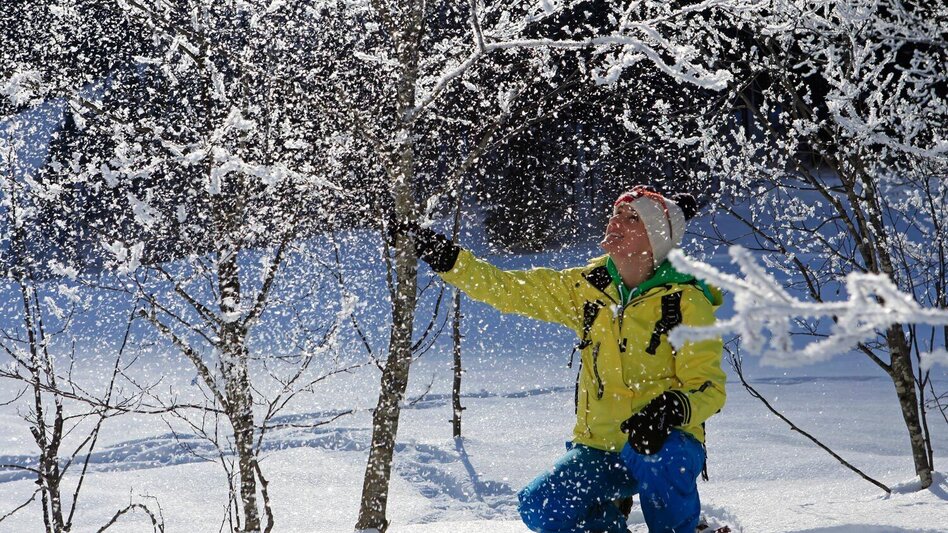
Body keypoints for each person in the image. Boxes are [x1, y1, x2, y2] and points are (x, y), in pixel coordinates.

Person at [398, 185, 726, 533]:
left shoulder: (687, 302)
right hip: (601, 449)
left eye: (632, 218)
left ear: (655, 239)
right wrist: (444, 255)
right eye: (617, 212)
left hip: (664, 447)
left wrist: (670, 410)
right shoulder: (587, 288)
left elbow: (709, 388)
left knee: (660, 458)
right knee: (540, 505)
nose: (616, 220)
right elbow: (507, 288)